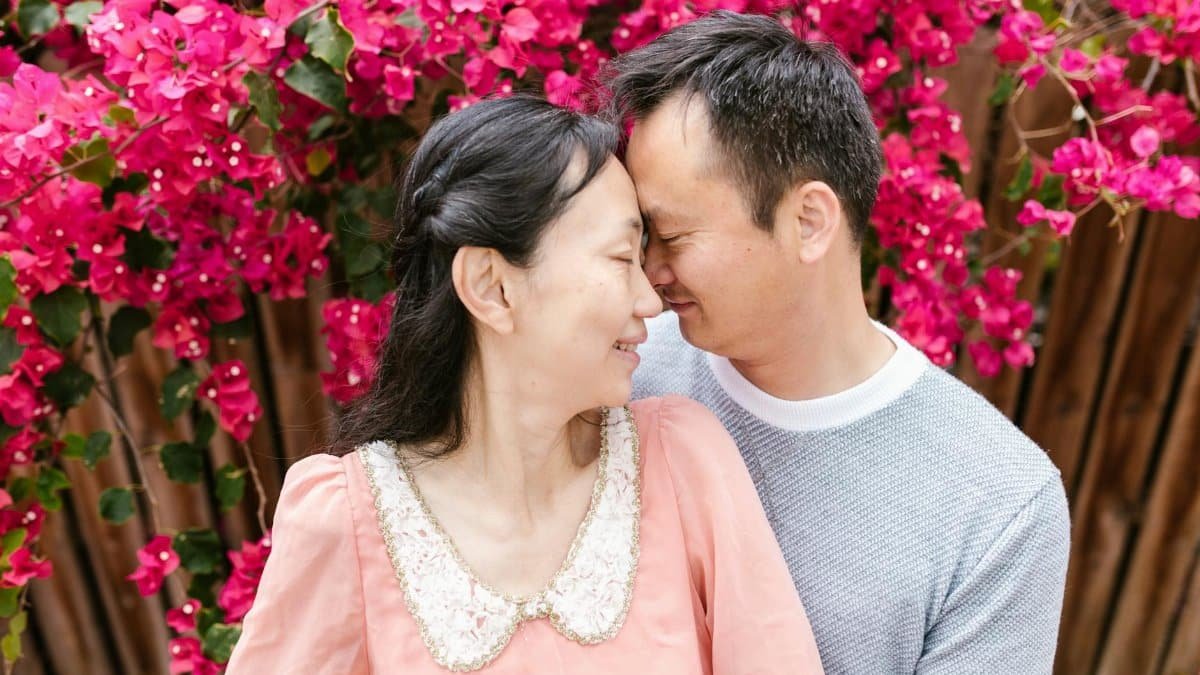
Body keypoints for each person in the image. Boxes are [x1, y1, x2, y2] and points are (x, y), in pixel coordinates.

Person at [226, 95, 823, 674]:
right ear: (492, 287)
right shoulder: (343, 521)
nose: (649, 299)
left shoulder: (683, 459)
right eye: (620, 259)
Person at [608, 11, 1071, 674]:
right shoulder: (623, 368)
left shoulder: (996, 504)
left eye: (673, 236)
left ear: (809, 220)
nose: (648, 274)